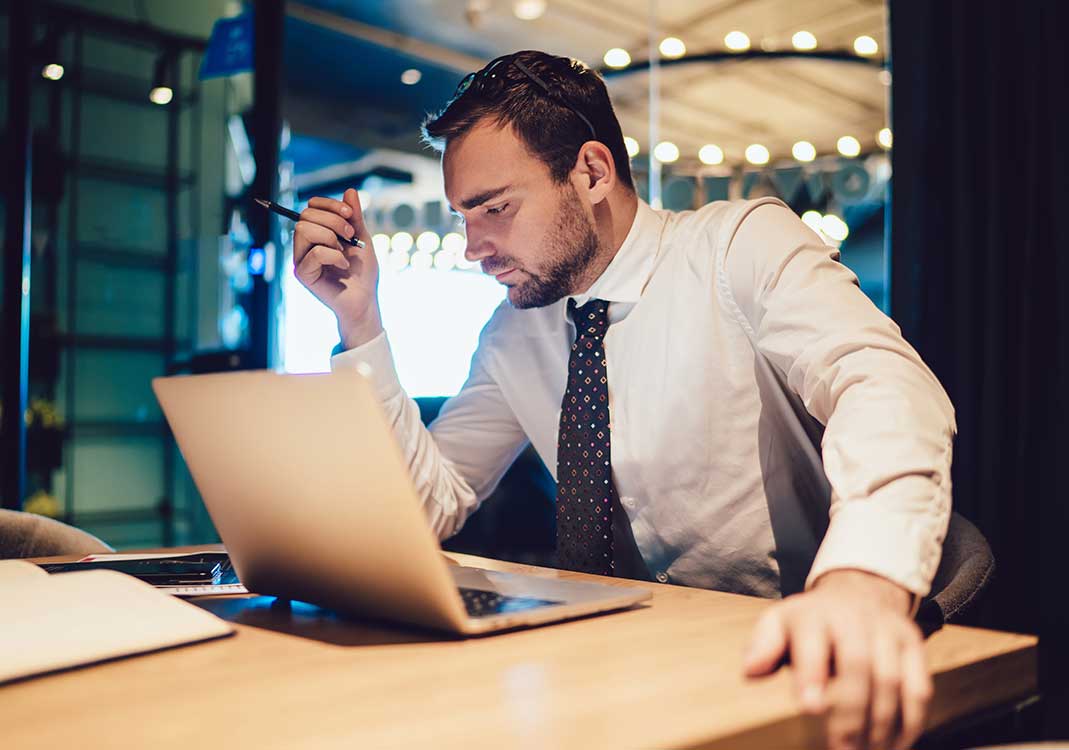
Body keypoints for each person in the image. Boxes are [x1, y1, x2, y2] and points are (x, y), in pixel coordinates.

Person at [292, 50, 953, 750]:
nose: (472, 248)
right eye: (464, 216)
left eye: (496, 208)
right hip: (608, 674)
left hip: (780, 662)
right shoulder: (516, 332)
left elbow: (885, 384)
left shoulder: (738, 248)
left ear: (592, 172)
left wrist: (863, 580)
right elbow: (427, 504)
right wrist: (359, 322)